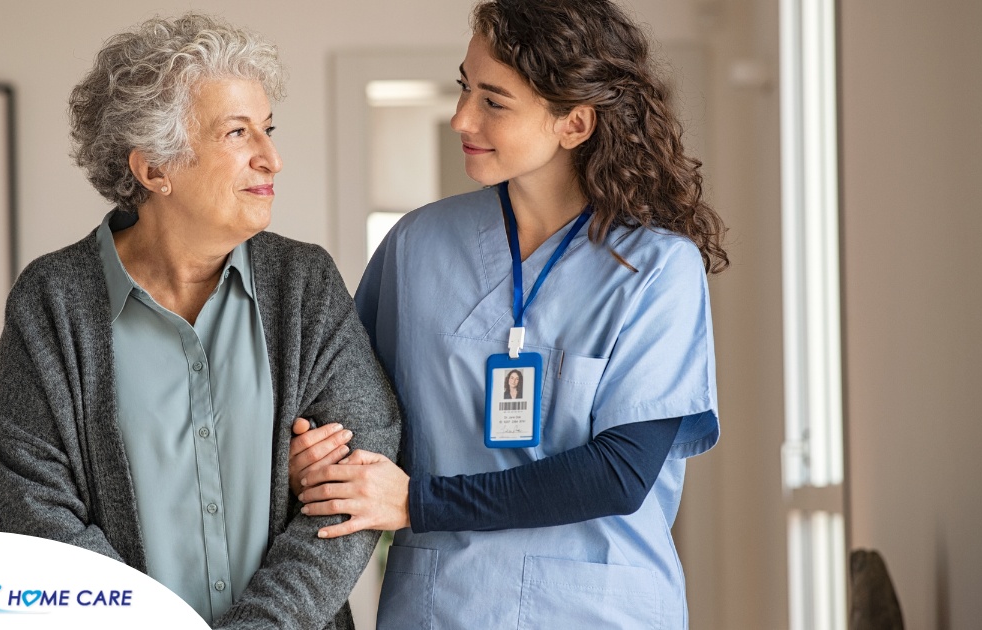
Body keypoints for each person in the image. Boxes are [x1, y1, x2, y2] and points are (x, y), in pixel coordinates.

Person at [288, 0, 727, 627]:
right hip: (441, 607)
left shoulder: (657, 269)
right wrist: (322, 457)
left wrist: (419, 501)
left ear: (574, 124)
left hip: (597, 612)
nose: (461, 116)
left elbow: (620, 473)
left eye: (494, 101)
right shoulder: (417, 246)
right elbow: (350, 412)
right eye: (465, 88)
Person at [0, 14, 400, 630]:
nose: (272, 158)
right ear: (154, 170)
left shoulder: (303, 283)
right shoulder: (52, 302)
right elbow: (34, 510)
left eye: (268, 129)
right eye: (237, 133)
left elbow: (359, 477)